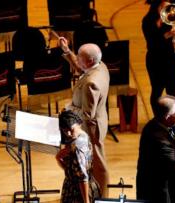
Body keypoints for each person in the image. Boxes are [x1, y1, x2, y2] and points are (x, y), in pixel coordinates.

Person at [58, 37, 110, 197]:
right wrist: (67, 51)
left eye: (79, 57)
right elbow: (81, 67)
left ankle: (103, 196)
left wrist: (69, 108)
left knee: (98, 165)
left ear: (90, 60)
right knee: (91, 163)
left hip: (91, 128)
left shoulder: (91, 84)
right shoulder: (100, 66)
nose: (77, 60)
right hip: (99, 120)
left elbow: (87, 114)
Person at [142, 0, 175, 117]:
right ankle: (158, 118)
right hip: (155, 60)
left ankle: (172, 119)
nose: (169, 7)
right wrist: (167, 35)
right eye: (165, 5)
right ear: (158, 5)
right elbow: (152, 44)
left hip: (172, 59)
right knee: (157, 90)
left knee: (172, 91)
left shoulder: (171, 17)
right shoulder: (148, 21)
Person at [136, 95, 175, 203]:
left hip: (162, 182)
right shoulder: (157, 138)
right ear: (167, 117)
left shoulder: (162, 124)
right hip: (155, 190)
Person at [56, 110, 101, 203]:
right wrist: (60, 161)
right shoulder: (83, 135)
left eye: (71, 129)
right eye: (65, 130)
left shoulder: (76, 147)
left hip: (77, 193)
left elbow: (82, 177)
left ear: (78, 124)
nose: (68, 133)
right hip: (86, 185)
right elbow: (73, 169)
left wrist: (86, 201)